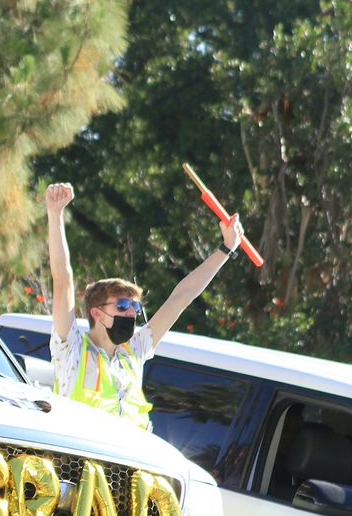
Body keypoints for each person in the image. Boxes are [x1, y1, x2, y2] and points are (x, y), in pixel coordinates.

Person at [46, 181, 245, 430]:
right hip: (78, 463)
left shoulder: (134, 351)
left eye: (135, 308)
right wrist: (55, 214)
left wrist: (227, 249)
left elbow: (181, 297)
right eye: (123, 305)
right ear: (96, 312)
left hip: (126, 465)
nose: (132, 313)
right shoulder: (72, 347)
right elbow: (63, 280)